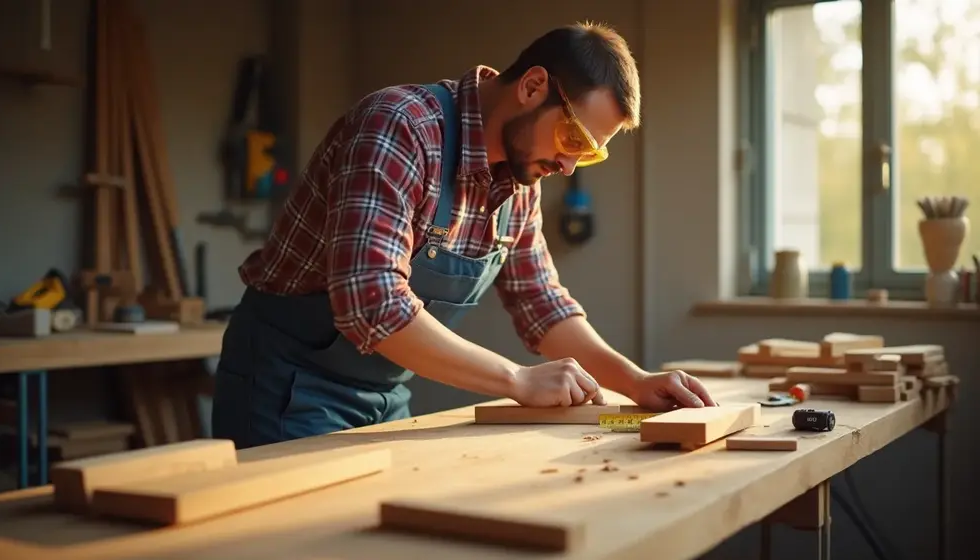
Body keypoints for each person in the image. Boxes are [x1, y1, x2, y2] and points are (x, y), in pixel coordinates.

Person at [211, 22, 716, 449]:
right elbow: (373, 303)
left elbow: (541, 304)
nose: (567, 165)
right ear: (532, 86)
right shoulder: (400, 128)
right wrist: (517, 380)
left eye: (587, 155)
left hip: (385, 395)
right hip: (286, 385)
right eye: (572, 138)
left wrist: (635, 381)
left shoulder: (519, 182)